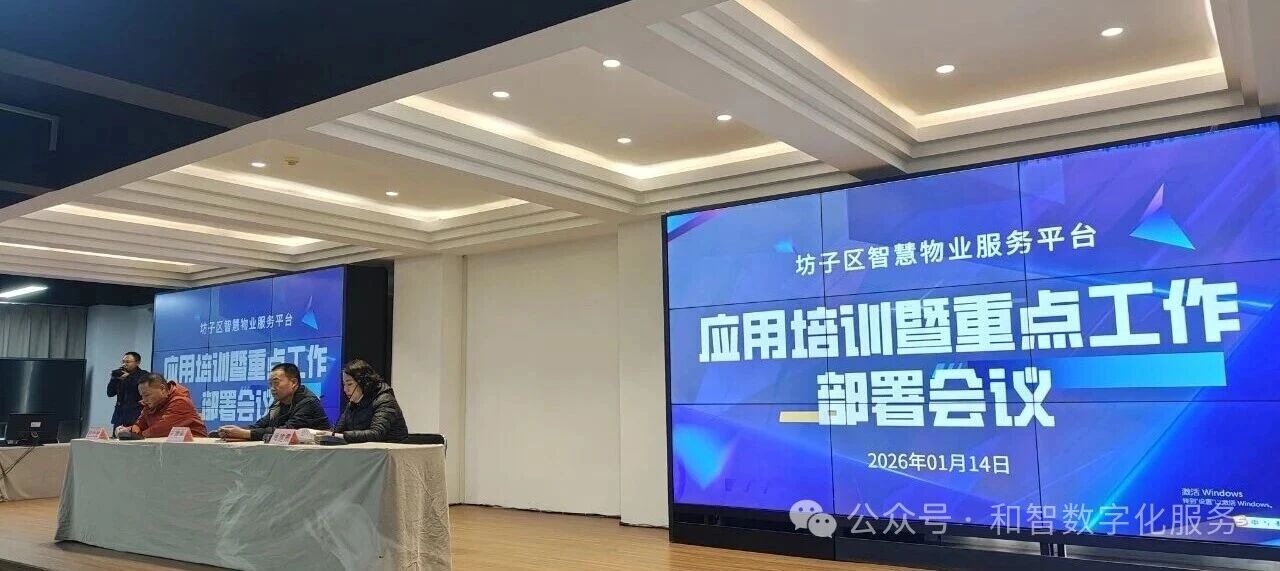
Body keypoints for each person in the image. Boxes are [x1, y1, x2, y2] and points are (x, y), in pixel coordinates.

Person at [218, 362, 330, 441]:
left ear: (294, 383)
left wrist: (245, 434)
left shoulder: (308, 402)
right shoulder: (278, 403)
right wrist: (236, 430)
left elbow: (286, 432)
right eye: (270, 384)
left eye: (276, 383)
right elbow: (260, 425)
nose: (272, 388)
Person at [332, 359, 408, 443]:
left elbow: (376, 434)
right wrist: (326, 435)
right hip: (367, 450)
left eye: (349, 384)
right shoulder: (352, 404)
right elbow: (337, 432)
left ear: (364, 382)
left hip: (391, 449)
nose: (345, 389)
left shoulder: (385, 400)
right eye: (344, 384)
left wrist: (343, 436)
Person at [115, 373, 208, 438]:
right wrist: (126, 430)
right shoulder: (150, 404)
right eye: (142, 395)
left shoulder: (181, 402)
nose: (144, 399)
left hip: (195, 448)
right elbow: (139, 425)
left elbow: (161, 429)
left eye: (147, 395)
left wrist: (134, 435)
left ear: (162, 389)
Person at [107, 351, 148, 432]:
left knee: (133, 438)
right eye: (123, 362)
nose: (124, 364)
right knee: (116, 438)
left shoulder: (144, 375)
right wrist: (114, 379)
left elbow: (140, 389)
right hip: (119, 416)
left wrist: (128, 377)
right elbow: (110, 393)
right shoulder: (120, 375)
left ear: (137, 362)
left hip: (136, 416)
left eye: (127, 362)